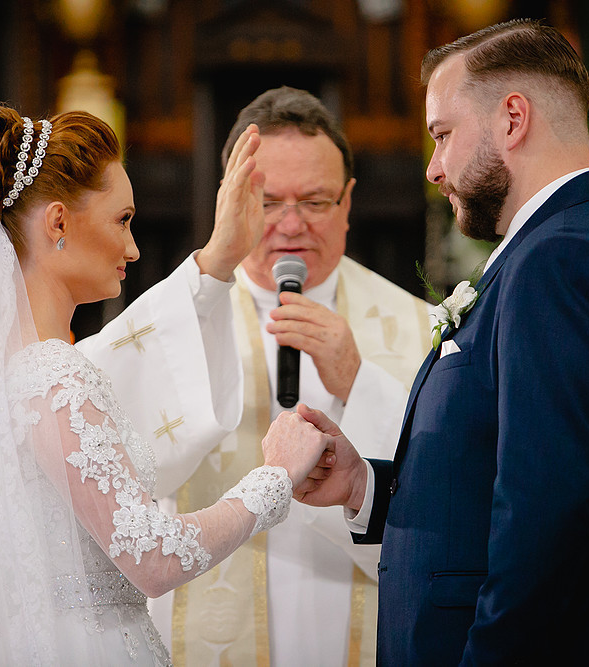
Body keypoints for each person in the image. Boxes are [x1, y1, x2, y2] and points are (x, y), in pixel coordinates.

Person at [0, 103, 333, 665]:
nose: (134, 248)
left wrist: (217, 260)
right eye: (122, 220)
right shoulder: (54, 376)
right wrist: (274, 478)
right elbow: (151, 558)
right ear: (57, 223)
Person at [293, 19, 589, 665]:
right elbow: (495, 474)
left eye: (443, 134)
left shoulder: (563, 260)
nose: (433, 167)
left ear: (512, 118)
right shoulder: (567, 246)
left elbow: (545, 521)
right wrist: (365, 483)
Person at [78, 87, 432, 665]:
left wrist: (358, 383)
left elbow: (455, 502)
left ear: (348, 202)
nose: (291, 224)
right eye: (267, 201)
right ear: (230, 200)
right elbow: (88, 418)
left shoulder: (419, 329)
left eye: (316, 201)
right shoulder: (182, 317)